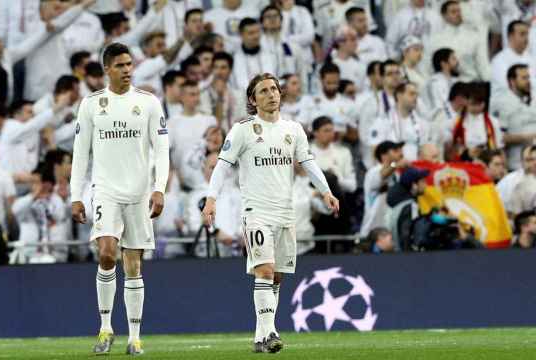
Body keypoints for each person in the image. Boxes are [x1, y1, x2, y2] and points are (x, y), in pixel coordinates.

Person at [201, 73, 339, 353]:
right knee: (263, 271)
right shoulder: (242, 130)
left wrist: (325, 191)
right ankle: (272, 332)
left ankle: (260, 336)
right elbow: (222, 166)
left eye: (274, 89)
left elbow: (308, 162)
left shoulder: (293, 129)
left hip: (285, 213)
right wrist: (211, 199)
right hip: (256, 212)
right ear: (253, 99)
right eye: (263, 91)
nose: (271, 94)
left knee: (276, 277)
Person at [70, 43, 169, 355]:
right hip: (106, 190)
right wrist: (76, 195)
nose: (128, 70)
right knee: (107, 254)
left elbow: (162, 149)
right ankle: (104, 328)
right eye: (121, 66)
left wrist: (160, 187)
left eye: (130, 65)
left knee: (133, 264)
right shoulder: (91, 105)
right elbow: (79, 153)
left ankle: (135, 337)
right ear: (107, 70)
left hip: (139, 192)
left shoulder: (149, 103)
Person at [426, 1, 490, 82]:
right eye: (453, 12)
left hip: (470, 83)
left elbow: (483, 66)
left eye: (459, 11)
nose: (458, 14)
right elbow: (429, 68)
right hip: (445, 86)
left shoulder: (474, 37)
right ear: (444, 16)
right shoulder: (435, 40)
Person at [168, 80, 217, 182]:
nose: (196, 98)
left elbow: (216, 150)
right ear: (182, 97)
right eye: (192, 95)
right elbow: (166, 153)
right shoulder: (170, 123)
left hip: (207, 179)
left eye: (198, 94)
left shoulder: (210, 120)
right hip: (181, 180)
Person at [368, 82, 431, 161]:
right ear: (399, 95)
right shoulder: (382, 121)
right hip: (392, 169)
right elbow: (375, 152)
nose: (415, 98)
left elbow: (426, 150)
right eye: (411, 94)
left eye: (416, 95)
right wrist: (393, 166)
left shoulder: (422, 122)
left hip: (416, 168)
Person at [490, 64, 536, 170]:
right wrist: (528, 137)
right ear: (512, 81)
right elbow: (500, 138)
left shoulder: (534, 98)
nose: (528, 81)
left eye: (528, 77)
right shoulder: (502, 103)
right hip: (517, 163)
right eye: (524, 78)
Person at [360, 141, 406, 237]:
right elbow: (382, 176)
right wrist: (395, 165)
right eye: (395, 150)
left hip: (389, 221)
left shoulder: (396, 174)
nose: (400, 153)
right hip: (373, 224)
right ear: (383, 155)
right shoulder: (373, 171)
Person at [386, 166, 429, 251]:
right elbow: (405, 234)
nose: (426, 185)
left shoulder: (400, 203)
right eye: (423, 182)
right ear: (414, 185)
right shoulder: (411, 206)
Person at [232, 18, 277, 90]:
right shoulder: (235, 57)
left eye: (258, 32)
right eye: (251, 33)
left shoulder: (271, 53)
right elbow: (239, 84)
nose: (256, 36)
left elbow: (274, 77)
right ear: (241, 34)